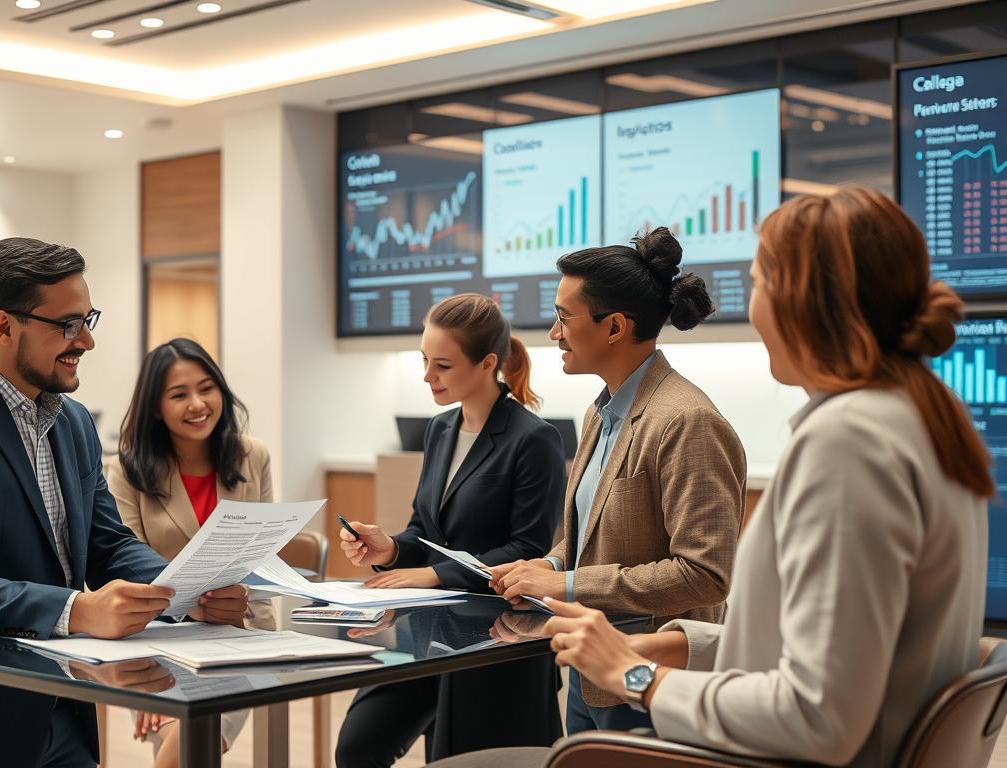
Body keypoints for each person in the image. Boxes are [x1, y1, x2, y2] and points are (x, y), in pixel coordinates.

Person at [439, 187, 993, 768]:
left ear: (802, 301)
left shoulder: (849, 444)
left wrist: (633, 675)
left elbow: (817, 715)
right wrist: (678, 645)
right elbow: (829, 652)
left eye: (759, 284)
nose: (753, 309)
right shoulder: (925, 418)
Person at [0, 238, 248, 768]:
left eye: (88, 319)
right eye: (67, 325)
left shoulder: (74, 423)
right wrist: (77, 609)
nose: (86, 340)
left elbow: (107, 542)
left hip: (64, 710)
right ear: (3, 326)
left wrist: (186, 590)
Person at [489, 227, 746, 734]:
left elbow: (705, 574)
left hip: (651, 679)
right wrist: (547, 563)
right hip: (592, 673)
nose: (553, 333)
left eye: (564, 318)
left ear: (614, 328)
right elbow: (595, 537)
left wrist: (563, 583)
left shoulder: (686, 421)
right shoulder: (599, 413)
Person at [335, 293, 568, 767]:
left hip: (496, 638)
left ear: (487, 364)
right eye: (424, 360)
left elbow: (528, 548)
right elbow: (425, 529)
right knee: (358, 747)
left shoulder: (534, 439)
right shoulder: (440, 429)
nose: (427, 376)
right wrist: (390, 547)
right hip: (427, 632)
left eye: (441, 364)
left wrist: (433, 576)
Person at [109, 337, 272, 766]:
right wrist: (142, 671)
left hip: (239, 636)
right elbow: (122, 569)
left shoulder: (253, 456)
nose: (198, 404)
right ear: (155, 408)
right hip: (156, 638)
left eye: (206, 388)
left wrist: (267, 647)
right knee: (184, 733)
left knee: (191, 731)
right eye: (179, 395)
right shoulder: (127, 469)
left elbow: (263, 561)